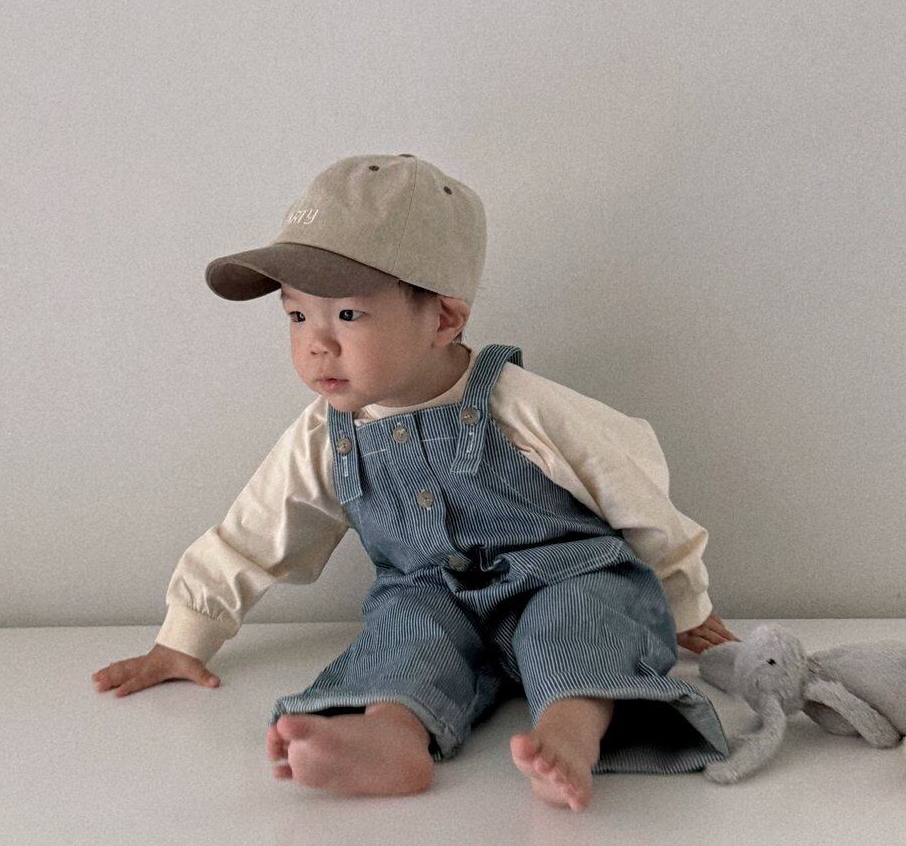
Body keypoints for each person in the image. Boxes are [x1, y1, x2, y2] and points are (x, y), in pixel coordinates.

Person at [91, 153, 741, 811]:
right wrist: (184, 636)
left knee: (581, 622)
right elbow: (255, 531)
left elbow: (632, 486)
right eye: (297, 317)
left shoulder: (518, 405)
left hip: (562, 577)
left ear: (444, 320)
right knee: (405, 633)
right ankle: (392, 734)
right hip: (433, 592)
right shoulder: (326, 432)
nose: (316, 344)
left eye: (348, 316)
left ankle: (570, 730)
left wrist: (687, 602)